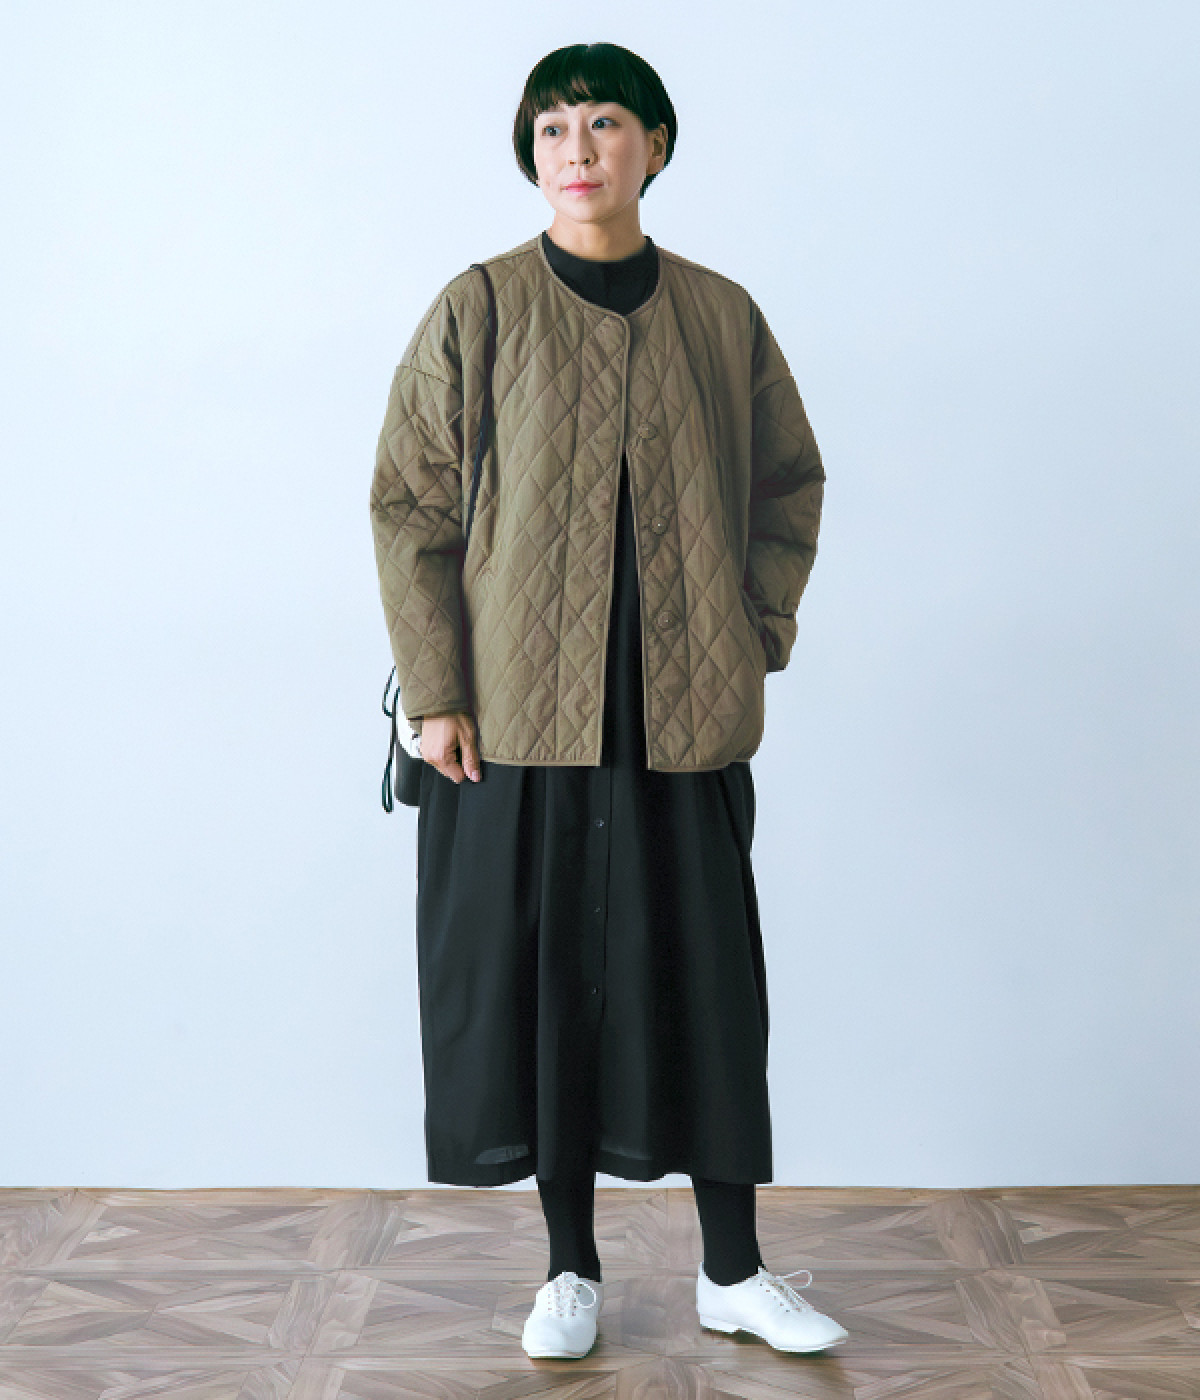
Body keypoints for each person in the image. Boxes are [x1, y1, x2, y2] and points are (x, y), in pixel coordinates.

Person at [370, 41, 848, 1360]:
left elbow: (790, 483)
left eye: (604, 124)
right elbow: (409, 504)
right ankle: (567, 1270)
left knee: (705, 983)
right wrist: (438, 690)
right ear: (532, 156)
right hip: (517, 718)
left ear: (656, 145)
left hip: (679, 712)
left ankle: (734, 1271)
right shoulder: (478, 307)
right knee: (548, 987)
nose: (576, 150)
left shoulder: (721, 315)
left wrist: (755, 631)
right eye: (552, 129)